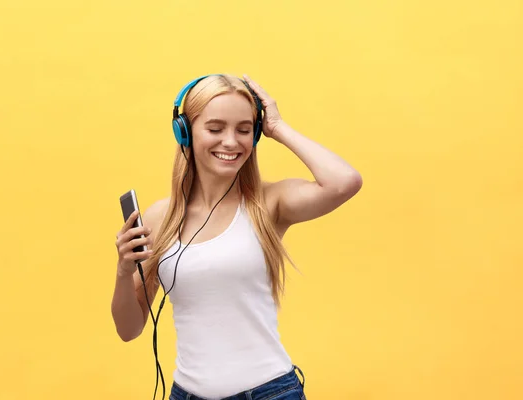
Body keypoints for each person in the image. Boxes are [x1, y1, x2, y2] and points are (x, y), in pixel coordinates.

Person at [112, 74, 362, 400]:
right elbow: (128, 330)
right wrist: (122, 271)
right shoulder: (160, 217)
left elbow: (345, 181)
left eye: (244, 130)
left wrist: (277, 126)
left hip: (270, 393)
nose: (231, 141)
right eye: (215, 129)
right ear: (184, 132)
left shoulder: (268, 203)